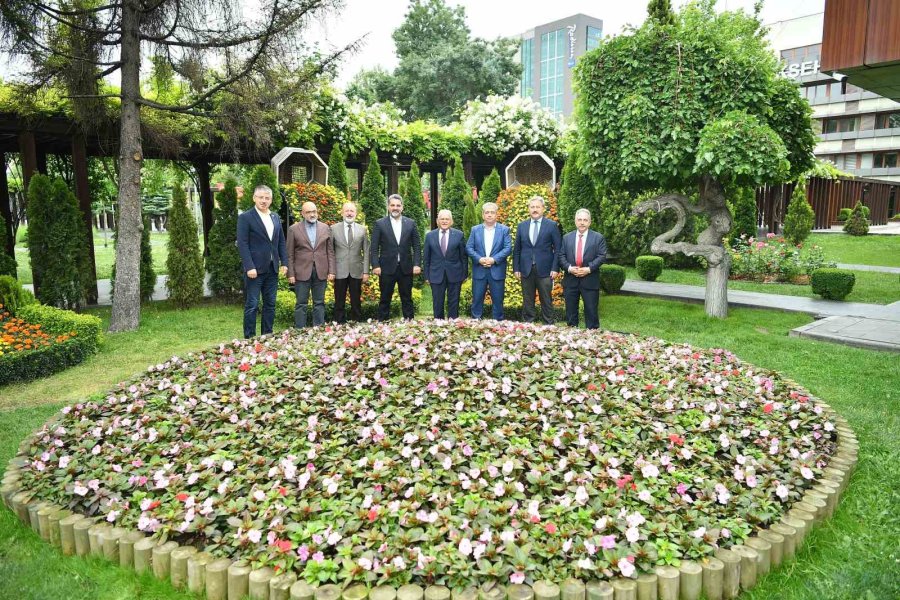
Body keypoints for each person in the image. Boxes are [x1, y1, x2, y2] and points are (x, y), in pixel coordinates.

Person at [237, 185, 288, 339]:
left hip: (272, 269)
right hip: (254, 270)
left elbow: (280, 242)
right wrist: (249, 266)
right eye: (261, 197)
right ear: (254, 198)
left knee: (270, 304)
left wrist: (284, 262)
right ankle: (249, 338)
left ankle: (267, 335)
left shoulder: (275, 217)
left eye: (267, 198)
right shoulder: (245, 217)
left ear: (271, 200)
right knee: (252, 305)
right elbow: (242, 243)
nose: (264, 201)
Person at [370, 194, 421, 320]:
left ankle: (409, 324)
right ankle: (383, 325)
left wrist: (417, 264)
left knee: (407, 298)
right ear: (388, 207)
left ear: (402, 207)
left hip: (406, 268)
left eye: (398, 205)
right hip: (386, 268)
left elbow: (417, 246)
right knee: (385, 298)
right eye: (392, 205)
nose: (395, 208)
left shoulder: (410, 223)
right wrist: (375, 265)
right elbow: (374, 247)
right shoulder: (380, 224)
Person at [513, 195, 562, 324]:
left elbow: (558, 249)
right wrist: (516, 268)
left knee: (546, 299)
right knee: (527, 299)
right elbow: (517, 249)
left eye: (537, 207)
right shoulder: (522, 226)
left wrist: (555, 268)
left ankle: (548, 325)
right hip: (526, 269)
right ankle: (528, 324)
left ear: (543, 209)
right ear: (528, 209)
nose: (535, 209)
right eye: (532, 207)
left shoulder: (551, 225)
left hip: (545, 270)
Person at [287, 202, 335, 327]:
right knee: (301, 303)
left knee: (319, 302)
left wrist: (332, 271)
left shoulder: (325, 228)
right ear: (302, 214)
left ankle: (318, 329)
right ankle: (299, 330)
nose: (312, 214)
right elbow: (290, 254)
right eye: (308, 212)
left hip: (321, 271)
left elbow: (330, 251)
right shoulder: (294, 229)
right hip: (301, 272)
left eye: (314, 211)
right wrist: (290, 273)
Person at [558, 208, 607, 329]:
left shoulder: (598, 238)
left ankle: (593, 338)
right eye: (579, 219)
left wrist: (588, 269)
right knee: (571, 314)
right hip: (571, 280)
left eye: (585, 220)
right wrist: (569, 268)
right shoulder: (566, 238)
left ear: (590, 222)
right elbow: (561, 256)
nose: (582, 222)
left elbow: (601, 256)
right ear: (575, 221)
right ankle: (572, 338)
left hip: (590, 280)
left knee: (591, 313)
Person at [465, 202, 512, 320]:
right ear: (483, 215)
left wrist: (494, 259)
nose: (489, 215)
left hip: (497, 270)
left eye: (492, 212)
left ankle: (498, 323)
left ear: (497, 214)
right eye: (487, 212)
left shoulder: (504, 230)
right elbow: (469, 248)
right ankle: (476, 321)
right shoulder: (475, 230)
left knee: (498, 299)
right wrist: (479, 259)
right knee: (477, 298)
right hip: (479, 270)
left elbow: (508, 248)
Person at [423, 209, 467, 319]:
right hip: (436, 274)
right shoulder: (430, 236)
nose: (444, 221)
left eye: (447, 219)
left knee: (454, 301)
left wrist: (464, 274)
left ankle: (453, 324)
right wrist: (427, 276)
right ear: (437, 221)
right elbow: (426, 258)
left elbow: (463, 257)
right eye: (442, 219)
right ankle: (439, 324)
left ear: (451, 221)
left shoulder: (459, 235)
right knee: (437, 302)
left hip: (455, 274)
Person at [330, 201, 370, 323]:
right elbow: (330, 251)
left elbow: (366, 252)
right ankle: (339, 323)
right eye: (347, 211)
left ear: (356, 213)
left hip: (356, 270)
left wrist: (366, 272)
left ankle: (356, 322)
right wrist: (331, 270)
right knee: (339, 300)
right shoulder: (333, 228)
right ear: (342, 212)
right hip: (339, 270)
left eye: (352, 211)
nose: (349, 213)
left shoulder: (363, 230)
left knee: (356, 300)